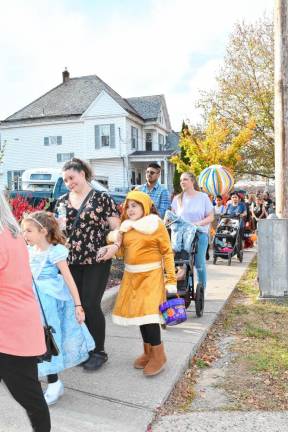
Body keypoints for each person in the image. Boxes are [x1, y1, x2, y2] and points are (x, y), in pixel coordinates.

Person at [98, 190, 177, 376]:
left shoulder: (155, 225)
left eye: (135, 205)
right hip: (132, 277)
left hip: (152, 277)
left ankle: (159, 355)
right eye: (128, 206)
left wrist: (171, 281)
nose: (130, 209)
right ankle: (148, 352)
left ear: (145, 206)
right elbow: (122, 253)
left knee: (150, 317)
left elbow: (167, 253)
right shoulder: (126, 228)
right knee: (141, 317)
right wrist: (113, 243)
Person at [21, 211, 95, 405]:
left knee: (48, 341)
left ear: (43, 231)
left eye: (28, 230)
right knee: (32, 342)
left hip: (48, 304)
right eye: (23, 231)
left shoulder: (55, 252)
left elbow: (69, 280)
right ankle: (36, 381)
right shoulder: (29, 251)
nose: (25, 235)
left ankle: (54, 384)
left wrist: (78, 305)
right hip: (29, 303)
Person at [56, 157, 121, 371]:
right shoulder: (62, 201)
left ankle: (99, 351)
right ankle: (84, 348)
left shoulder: (102, 198)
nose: (68, 183)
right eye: (65, 180)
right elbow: (58, 232)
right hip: (71, 261)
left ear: (82, 173)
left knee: (91, 304)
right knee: (78, 306)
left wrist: (115, 245)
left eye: (71, 177)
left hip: (96, 259)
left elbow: (116, 228)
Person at [0, 192, 51, 432]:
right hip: (19, 325)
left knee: (30, 397)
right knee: (31, 396)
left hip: (9, 332)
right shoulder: (12, 235)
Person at [171, 172, 214, 289]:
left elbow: (211, 217)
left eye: (185, 179)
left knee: (199, 263)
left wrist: (197, 224)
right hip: (181, 235)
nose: (182, 182)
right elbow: (173, 217)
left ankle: (202, 289)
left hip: (199, 233)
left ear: (192, 181)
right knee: (183, 261)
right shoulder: (177, 198)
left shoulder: (202, 197)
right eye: (181, 180)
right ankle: (186, 288)